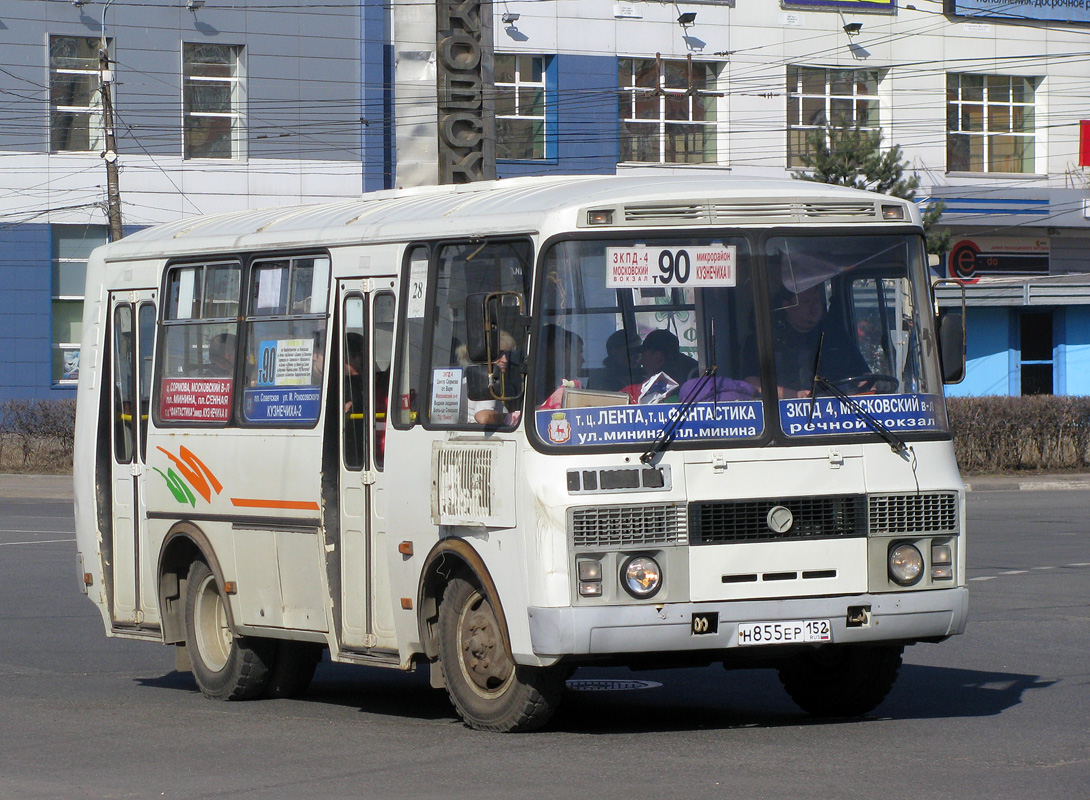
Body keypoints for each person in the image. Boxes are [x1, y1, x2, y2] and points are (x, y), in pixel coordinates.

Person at [746, 283, 869, 398]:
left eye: (816, 300)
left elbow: (864, 377)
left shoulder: (837, 336)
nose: (813, 306)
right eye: (806, 301)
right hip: (783, 414)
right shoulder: (763, 340)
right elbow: (752, 382)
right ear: (786, 305)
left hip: (839, 409)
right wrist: (795, 395)